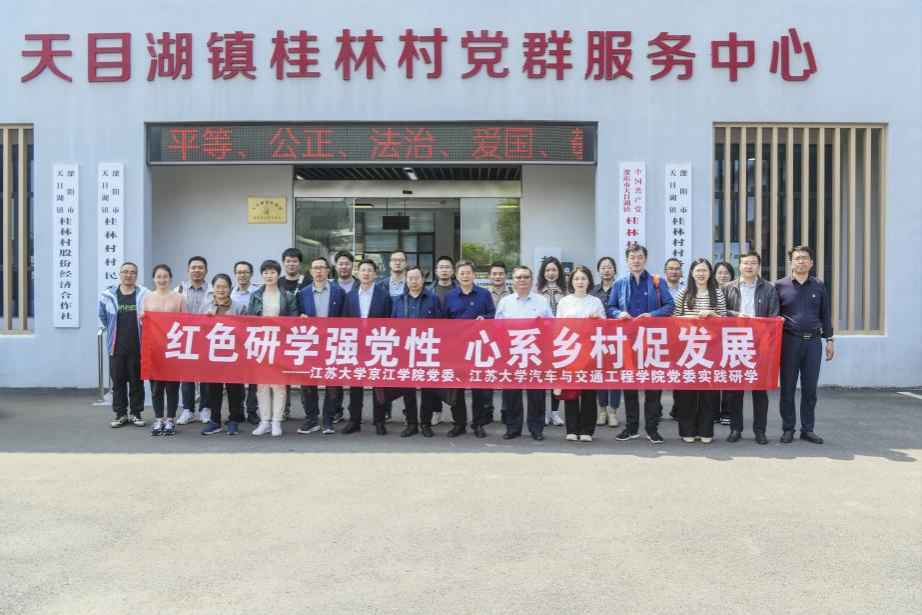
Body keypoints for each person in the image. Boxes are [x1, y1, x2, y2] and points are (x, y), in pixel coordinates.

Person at [607, 244, 675, 444]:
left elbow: (670, 306)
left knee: (653, 387)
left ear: (645, 259)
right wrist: (619, 314)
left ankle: (652, 429)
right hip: (628, 341)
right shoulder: (619, 283)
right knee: (629, 386)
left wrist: (652, 315)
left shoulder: (657, 282)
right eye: (632, 257)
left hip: (652, 341)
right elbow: (610, 307)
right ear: (627, 261)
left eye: (639, 257)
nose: (636, 260)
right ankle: (631, 428)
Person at [776, 245, 834, 445]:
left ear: (811, 262)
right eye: (797, 258)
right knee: (788, 388)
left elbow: (825, 314)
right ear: (790, 262)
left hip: (813, 343)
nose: (801, 261)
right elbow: (774, 316)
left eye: (805, 258)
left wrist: (829, 340)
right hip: (789, 342)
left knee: (810, 389)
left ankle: (807, 430)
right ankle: (788, 428)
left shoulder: (818, 285)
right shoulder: (780, 286)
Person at [723, 250, 779, 445]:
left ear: (759, 266)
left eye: (753, 263)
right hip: (735, 344)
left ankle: (760, 430)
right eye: (745, 263)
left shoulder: (769, 288)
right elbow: (721, 313)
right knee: (735, 390)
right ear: (739, 266)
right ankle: (735, 428)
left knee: (759, 390)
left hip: (760, 345)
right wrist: (735, 315)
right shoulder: (728, 288)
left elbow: (773, 316)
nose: (749, 266)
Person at [672, 258, 727, 444]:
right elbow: (674, 320)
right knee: (686, 392)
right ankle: (687, 430)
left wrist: (712, 314)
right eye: (698, 270)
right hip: (687, 350)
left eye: (704, 270)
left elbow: (725, 322)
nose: (701, 274)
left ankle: (706, 430)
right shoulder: (684, 293)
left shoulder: (717, 294)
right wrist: (691, 320)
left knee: (708, 393)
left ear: (710, 273)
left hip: (710, 350)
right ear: (691, 273)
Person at [496, 266, 552, 441]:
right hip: (512, 352)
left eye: (526, 277)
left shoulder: (541, 301)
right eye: (518, 277)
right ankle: (513, 427)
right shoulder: (505, 302)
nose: (522, 280)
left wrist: (543, 324)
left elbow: (552, 325)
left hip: (535, 352)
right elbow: (497, 327)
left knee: (536, 393)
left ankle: (536, 428)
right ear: (513, 280)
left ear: (531, 280)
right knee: (511, 393)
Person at [444, 259, 496, 438]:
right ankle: (459, 423)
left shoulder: (484, 294)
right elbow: (445, 321)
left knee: (478, 388)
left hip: (478, 348)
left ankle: (478, 424)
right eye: (462, 273)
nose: (465, 276)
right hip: (457, 349)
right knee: (456, 388)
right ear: (456, 276)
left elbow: (493, 315)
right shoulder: (450, 296)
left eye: (468, 273)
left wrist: (485, 319)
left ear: (474, 275)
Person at [342, 259, 394, 435]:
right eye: (363, 270)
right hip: (355, 345)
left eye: (369, 270)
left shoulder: (384, 296)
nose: (366, 273)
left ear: (375, 274)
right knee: (355, 385)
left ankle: (379, 421)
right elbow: (344, 321)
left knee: (378, 384)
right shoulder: (349, 296)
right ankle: (354, 421)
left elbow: (389, 321)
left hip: (377, 344)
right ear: (357, 273)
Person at [296, 256, 346, 435]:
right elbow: (296, 316)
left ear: (328, 271)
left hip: (332, 343)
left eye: (321, 267)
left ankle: (328, 420)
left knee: (332, 384)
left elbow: (345, 318)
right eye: (315, 268)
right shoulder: (303, 293)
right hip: (310, 344)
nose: (318, 271)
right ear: (310, 271)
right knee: (308, 384)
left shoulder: (338, 292)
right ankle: (311, 419)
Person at [248, 260, 298, 436]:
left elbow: (293, 319)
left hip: (280, 344)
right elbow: (249, 320)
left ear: (278, 275)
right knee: (262, 385)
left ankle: (276, 421)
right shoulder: (255, 295)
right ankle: (265, 421)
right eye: (266, 272)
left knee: (278, 385)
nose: (269, 276)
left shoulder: (287, 296)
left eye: (272, 272)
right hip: (261, 344)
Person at [555, 265, 606, 442]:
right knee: (571, 392)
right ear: (571, 281)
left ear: (589, 281)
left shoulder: (595, 302)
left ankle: (587, 430)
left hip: (590, 351)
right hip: (570, 350)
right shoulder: (564, 302)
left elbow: (605, 326)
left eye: (583, 278)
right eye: (576, 278)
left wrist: (598, 319)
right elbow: (558, 327)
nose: (580, 282)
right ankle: (572, 429)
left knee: (589, 392)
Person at [391, 266, 443, 437]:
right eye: (410, 278)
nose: (414, 281)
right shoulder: (399, 300)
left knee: (428, 390)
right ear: (406, 280)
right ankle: (412, 423)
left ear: (423, 279)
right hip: (405, 350)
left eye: (417, 278)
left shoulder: (432, 299)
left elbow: (440, 324)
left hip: (426, 350)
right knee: (408, 391)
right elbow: (392, 325)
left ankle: (426, 423)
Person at [100, 262, 150, 429]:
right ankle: (120, 414)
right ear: (119, 274)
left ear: (137, 275)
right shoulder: (108, 295)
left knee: (137, 383)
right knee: (118, 384)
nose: (129, 275)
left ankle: (136, 413)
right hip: (116, 348)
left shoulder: (144, 294)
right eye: (125, 272)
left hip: (137, 348)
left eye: (133, 272)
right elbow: (103, 317)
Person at [200, 274, 249, 435]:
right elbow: (198, 329)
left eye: (224, 286)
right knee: (213, 390)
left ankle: (233, 420)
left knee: (233, 389)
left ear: (230, 288)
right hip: (212, 355)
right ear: (213, 288)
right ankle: (215, 421)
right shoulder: (205, 306)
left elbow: (245, 329)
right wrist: (206, 320)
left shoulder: (239, 307)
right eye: (218, 286)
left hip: (233, 355)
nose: (221, 290)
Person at [141, 264, 187, 436]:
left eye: (165, 276)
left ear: (170, 278)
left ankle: (170, 420)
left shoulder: (179, 298)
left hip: (173, 348)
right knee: (156, 387)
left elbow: (185, 321)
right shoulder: (148, 298)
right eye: (159, 276)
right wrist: (142, 320)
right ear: (154, 278)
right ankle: (158, 419)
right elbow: (144, 323)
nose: (162, 280)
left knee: (172, 387)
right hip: (154, 349)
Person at [175, 256, 213, 425]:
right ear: (188, 270)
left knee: (206, 376)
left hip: (207, 338)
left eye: (200, 267)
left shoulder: (213, 290)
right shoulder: (178, 290)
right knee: (186, 377)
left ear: (206, 271)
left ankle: (205, 408)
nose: (197, 270)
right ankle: (188, 410)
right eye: (193, 267)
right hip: (186, 338)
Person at [427, 254, 459, 425]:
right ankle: (436, 411)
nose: (444, 270)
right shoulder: (429, 290)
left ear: (453, 271)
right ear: (436, 271)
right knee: (434, 377)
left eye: (447, 267)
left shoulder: (459, 289)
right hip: (433, 340)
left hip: (455, 340)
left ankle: (456, 411)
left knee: (454, 376)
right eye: (441, 267)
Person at [590, 256, 621, 428]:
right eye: (603, 267)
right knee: (600, 375)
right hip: (598, 338)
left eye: (609, 267)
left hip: (618, 338)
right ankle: (602, 411)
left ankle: (613, 412)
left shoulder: (622, 288)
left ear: (614, 269)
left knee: (615, 376)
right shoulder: (593, 291)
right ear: (598, 271)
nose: (606, 270)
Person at [537, 256, 567, 427]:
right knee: (542, 376)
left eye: (554, 270)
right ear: (543, 272)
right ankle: (541, 412)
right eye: (547, 270)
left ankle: (554, 413)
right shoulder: (536, 291)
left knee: (557, 377)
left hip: (561, 339)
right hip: (542, 340)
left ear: (559, 272)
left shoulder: (566, 290)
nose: (551, 273)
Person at [330, 250, 358, 423]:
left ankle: (356, 413)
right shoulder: (330, 286)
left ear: (352, 265)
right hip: (336, 338)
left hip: (359, 337)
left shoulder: (360, 284)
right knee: (336, 376)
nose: (344, 267)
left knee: (357, 376)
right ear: (335, 266)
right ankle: (336, 410)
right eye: (340, 264)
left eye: (347, 263)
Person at [231, 260, 261, 425]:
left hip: (253, 339)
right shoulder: (230, 292)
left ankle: (252, 410)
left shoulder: (258, 292)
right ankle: (238, 410)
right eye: (239, 272)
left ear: (251, 274)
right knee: (237, 377)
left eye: (245, 272)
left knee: (254, 378)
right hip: (234, 341)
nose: (242, 275)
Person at [486, 261, 511, 425]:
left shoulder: (513, 294)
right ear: (489, 276)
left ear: (505, 276)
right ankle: (488, 410)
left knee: (506, 376)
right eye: (494, 274)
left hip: (508, 341)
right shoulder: (483, 294)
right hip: (488, 341)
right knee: (488, 376)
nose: (497, 276)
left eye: (500, 273)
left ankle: (506, 411)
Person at [713, 261, 737, 425]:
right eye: (720, 272)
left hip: (732, 337)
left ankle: (727, 412)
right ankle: (714, 412)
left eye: (726, 273)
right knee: (714, 375)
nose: (723, 276)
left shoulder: (735, 290)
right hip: (714, 339)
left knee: (729, 375)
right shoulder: (710, 291)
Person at [662, 258, 685, 422]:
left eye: (677, 269)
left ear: (681, 272)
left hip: (680, 336)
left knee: (679, 372)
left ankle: (678, 409)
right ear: (665, 271)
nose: (674, 271)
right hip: (661, 336)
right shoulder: (658, 289)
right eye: (670, 268)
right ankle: (656, 410)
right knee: (658, 372)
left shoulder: (686, 290)